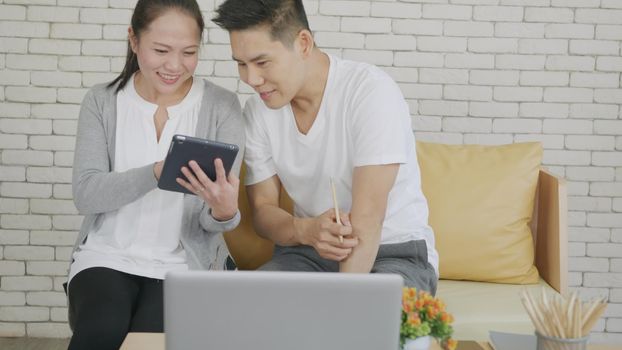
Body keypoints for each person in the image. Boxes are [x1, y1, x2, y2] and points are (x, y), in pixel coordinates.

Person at [213, 0, 438, 293]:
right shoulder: (258, 113)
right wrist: (306, 230)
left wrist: (340, 305)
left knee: (365, 325)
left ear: (303, 43)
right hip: (310, 252)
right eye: (241, 64)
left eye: (262, 62)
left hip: (393, 251)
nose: (251, 79)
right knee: (252, 307)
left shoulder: (370, 93)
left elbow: (368, 220)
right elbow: (263, 212)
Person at [67, 0, 244, 349]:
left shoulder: (222, 106)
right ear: (134, 41)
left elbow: (213, 223)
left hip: (181, 264)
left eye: (189, 52)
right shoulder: (102, 101)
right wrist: (157, 172)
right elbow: (86, 194)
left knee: (151, 341)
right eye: (161, 50)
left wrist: (224, 210)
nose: (174, 65)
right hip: (105, 255)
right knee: (100, 330)